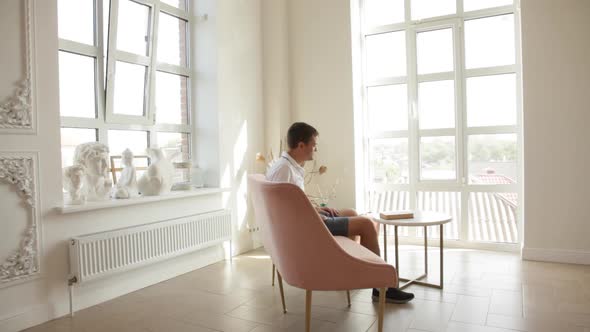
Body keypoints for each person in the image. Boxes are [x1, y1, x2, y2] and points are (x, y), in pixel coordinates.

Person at [266, 122, 414, 304]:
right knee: (366, 224)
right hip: (308, 228)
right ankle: (381, 287)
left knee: (351, 212)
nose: (316, 148)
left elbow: (292, 203)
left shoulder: (288, 166)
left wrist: (316, 208)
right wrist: (316, 216)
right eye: (313, 144)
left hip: (310, 219)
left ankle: (348, 270)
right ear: (301, 145)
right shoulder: (284, 170)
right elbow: (284, 213)